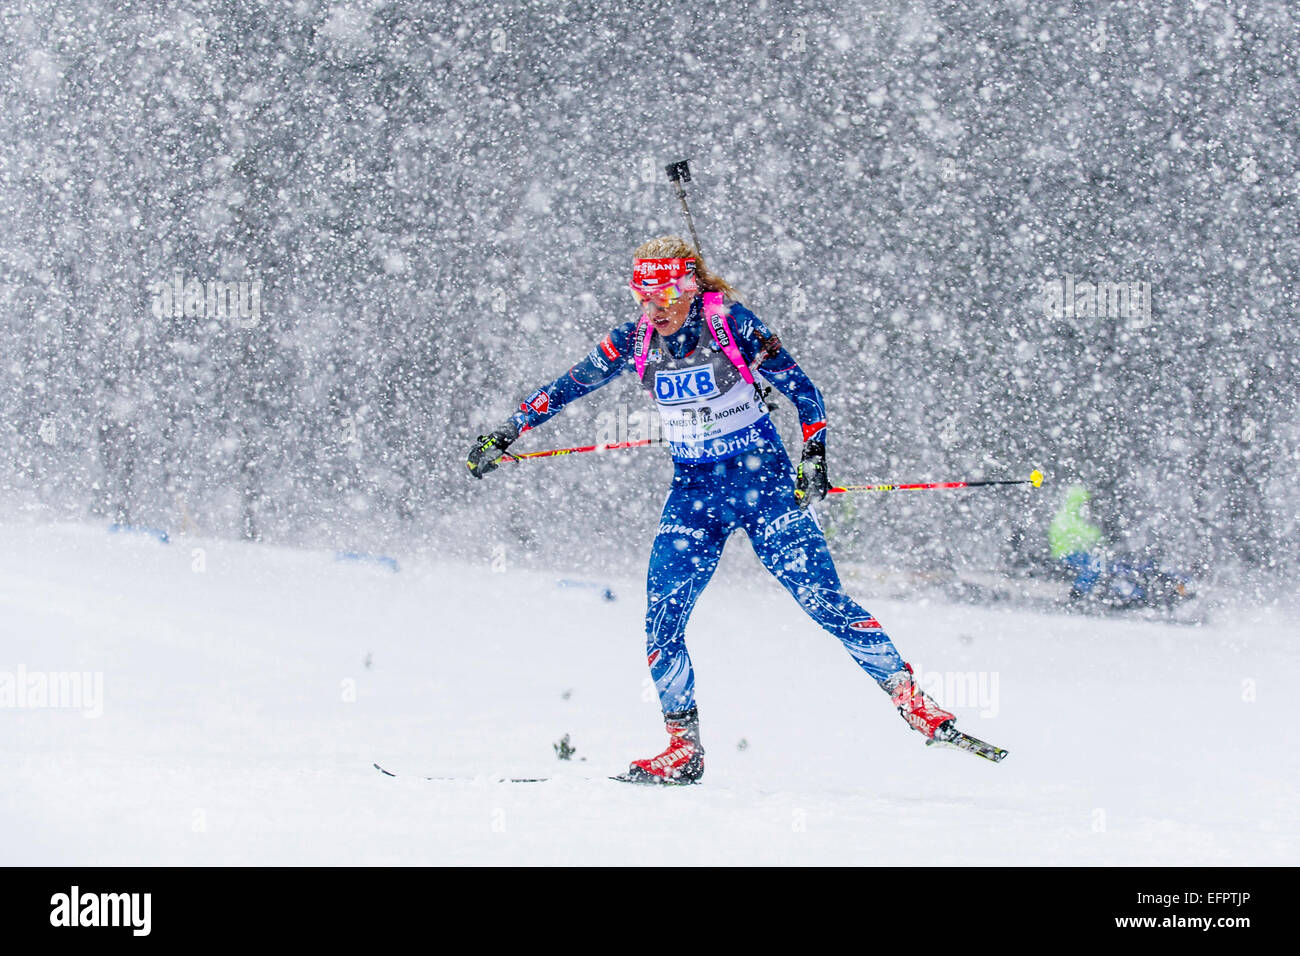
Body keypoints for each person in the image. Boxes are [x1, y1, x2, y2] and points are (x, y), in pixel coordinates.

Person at [467, 237, 958, 784]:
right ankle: (684, 748)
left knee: (822, 599)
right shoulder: (634, 341)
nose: (650, 308)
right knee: (661, 619)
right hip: (695, 494)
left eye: (661, 295)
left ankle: (913, 702)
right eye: (640, 294)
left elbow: (805, 392)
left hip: (764, 484)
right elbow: (566, 387)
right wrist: (508, 431)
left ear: (687, 286)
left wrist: (813, 456)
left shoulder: (728, 322)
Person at [1048, 484, 1105, 599]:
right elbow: (1084, 533)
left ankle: (1082, 589)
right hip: (1067, 553)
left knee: (1096, 562)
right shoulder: (1069, 517)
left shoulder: (1066, 515)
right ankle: (1079, 591)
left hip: (1068, 551)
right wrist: (1101, 535)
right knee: (1095, 564)